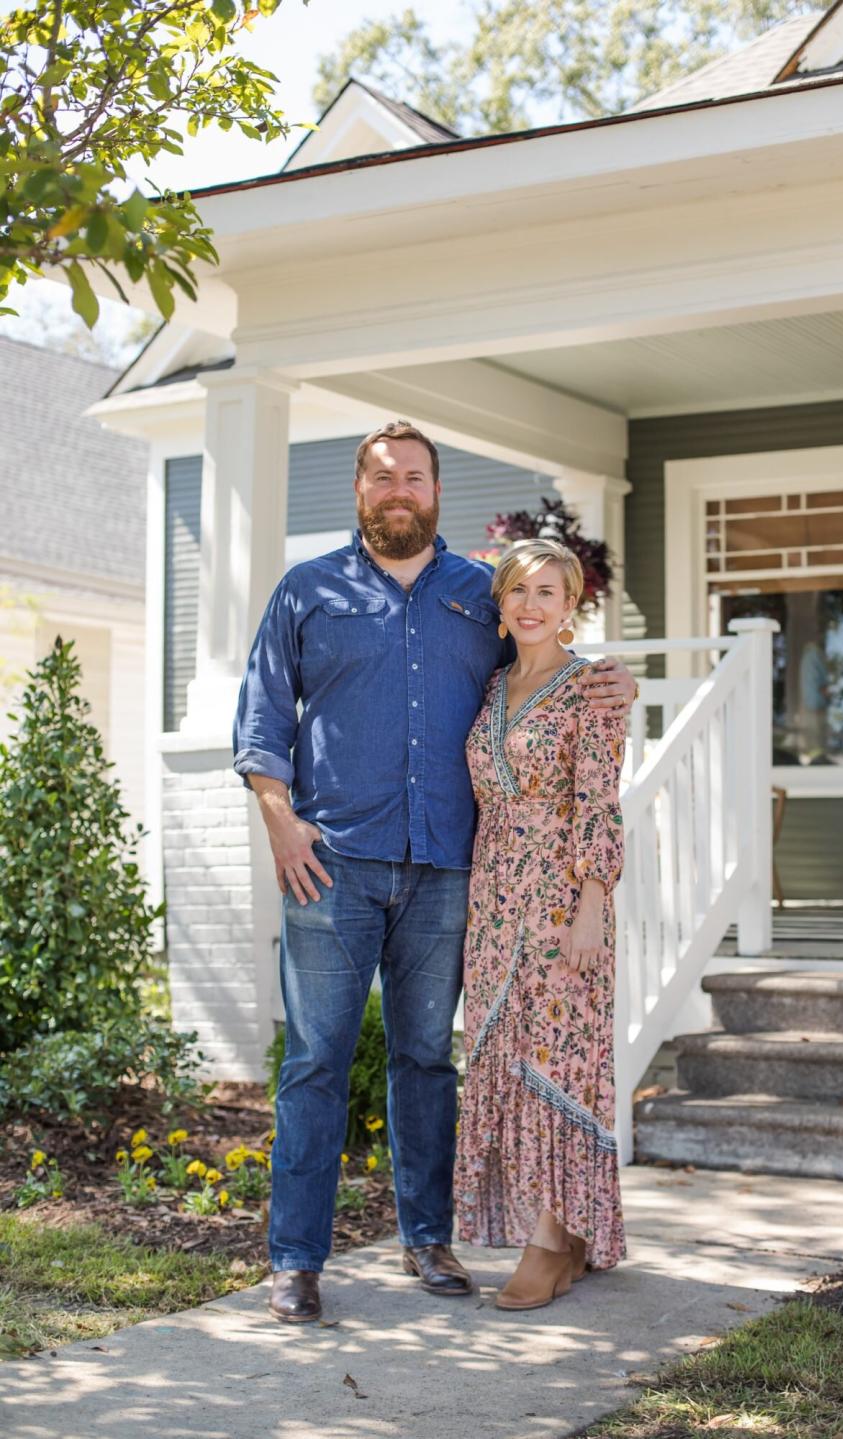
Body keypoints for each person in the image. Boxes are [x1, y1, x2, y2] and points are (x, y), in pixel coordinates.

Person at [233, 420, 636, 1324]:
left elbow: (547, 679)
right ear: (361, 491)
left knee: (426, 1059)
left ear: (436, 492)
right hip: (330, 864)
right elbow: (260, 716)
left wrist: (620, 683)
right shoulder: (308, 589)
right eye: (383, 478)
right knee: (314, 1062)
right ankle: (296, 1258)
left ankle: (428, 1237)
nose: (398, 490)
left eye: (414, 476)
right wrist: (279, 823)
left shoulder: (478, 595)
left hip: (453, 871)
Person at [453, 538, 626, 1310]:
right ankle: (565, 1231)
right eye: (519, 590)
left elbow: (598, 804)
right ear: (502, 601)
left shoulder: (591, 689)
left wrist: (592, 907)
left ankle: (552, 1245)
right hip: (494, 903)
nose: (531, 604)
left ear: (571, 604)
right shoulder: (490, 688)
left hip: (562, 900)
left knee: (560, 1063)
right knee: (510, 1061)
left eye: (548, 592)